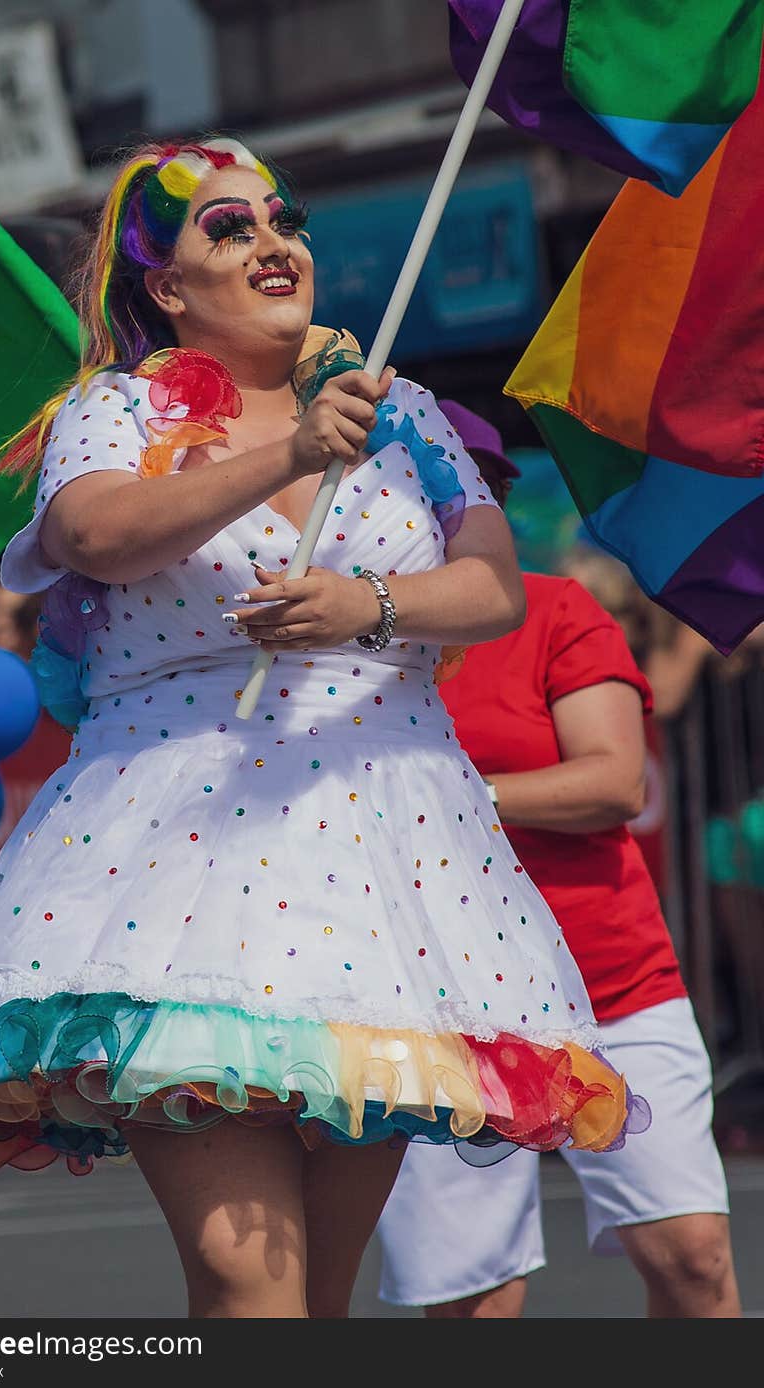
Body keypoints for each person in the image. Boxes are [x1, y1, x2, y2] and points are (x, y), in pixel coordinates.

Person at [0, 139, 639, 1320]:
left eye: (281, 219)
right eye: (227, 229)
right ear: (168, 289)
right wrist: (292, 449)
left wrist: (369, 605)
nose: (272, 242)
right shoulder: (118, 410)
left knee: (316, 1299)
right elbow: (96, 536)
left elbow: (495, 585)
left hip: (389, 860)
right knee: (251, 1282)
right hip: (180, 863)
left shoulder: (405, 413)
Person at [377, 402, 741, 1319]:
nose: (450, 511)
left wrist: (457, 800)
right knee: (475, 1308)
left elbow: (613, 784)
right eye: (420, 490)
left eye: (473, 492)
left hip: (608, 983)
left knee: (693, 1260)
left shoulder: (555, 611)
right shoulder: (346, 641)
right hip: (429, 1004)